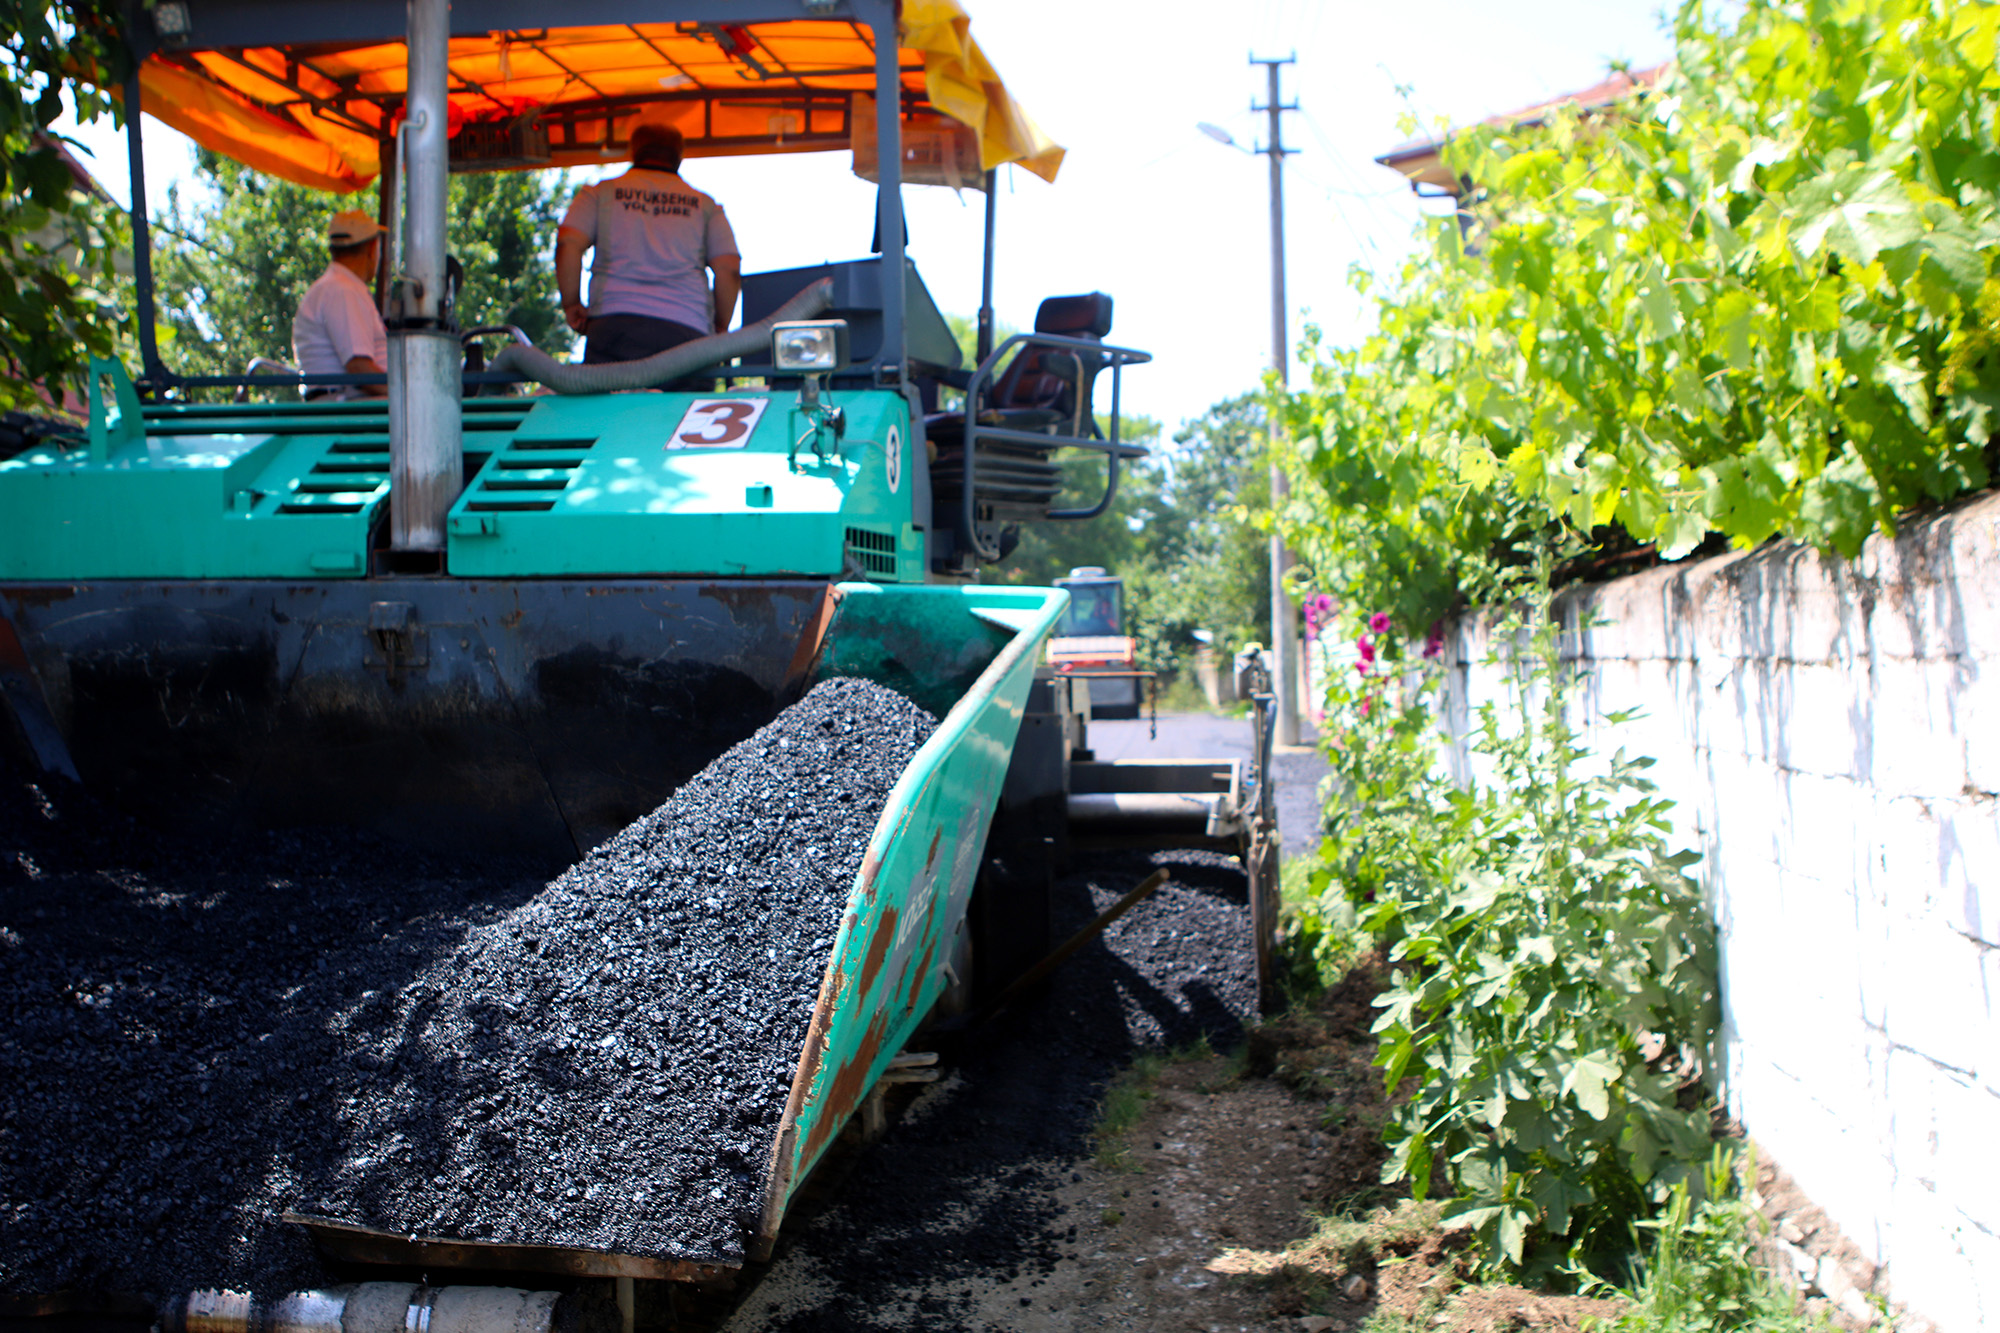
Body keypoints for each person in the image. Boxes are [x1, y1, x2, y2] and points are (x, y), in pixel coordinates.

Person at [555, 122, 741, 364]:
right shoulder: (706, 206)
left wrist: (571, 303)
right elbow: (729, 269)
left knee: (610, 402)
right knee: (685, 403)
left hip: (614, 325)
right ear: (679, 155)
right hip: (687, 331)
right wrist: (720, 325)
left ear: (634, 151)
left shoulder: (600, 194)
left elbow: (568, 244)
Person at [292, 210, 389, 399]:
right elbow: (359, 368)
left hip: (348, 404)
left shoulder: (336, 286)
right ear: (372, 248)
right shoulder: (343, 290)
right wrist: (408, 394)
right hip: (349, 408)